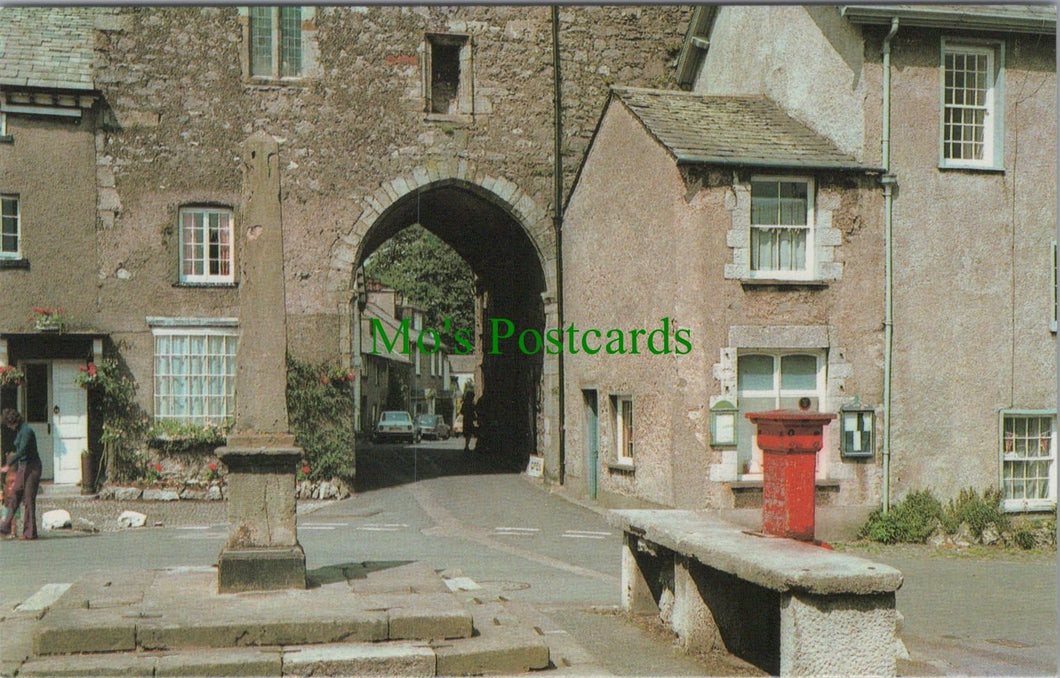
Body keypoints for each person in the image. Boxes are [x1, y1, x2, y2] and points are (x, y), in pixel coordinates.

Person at [0, 409, 41, 540]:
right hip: (23, 466)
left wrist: (8, 464)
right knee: (15, 494)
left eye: (8, 424)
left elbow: (22, 450)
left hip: (32, 467)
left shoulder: (27, 431)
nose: (8, 427)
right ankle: (5, 526)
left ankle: (30, 532)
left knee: (28, 499)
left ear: (13, 422)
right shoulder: (19, 431)